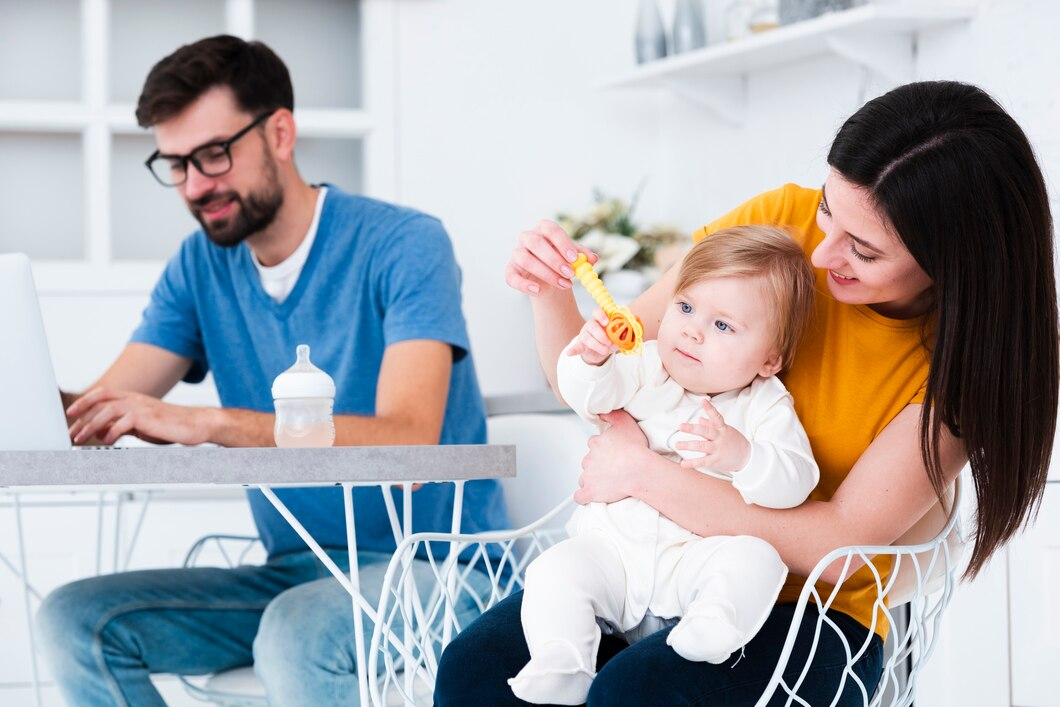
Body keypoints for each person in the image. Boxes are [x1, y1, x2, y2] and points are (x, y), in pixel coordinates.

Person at [435, 80, 1059, 706]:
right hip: (649, 565)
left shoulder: (964, 366)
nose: (819, 255)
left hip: (815, 613)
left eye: (862, 250)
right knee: (475, 672)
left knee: (639, 693)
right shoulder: (772, 228)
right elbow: (607, 373)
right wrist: (551, 295)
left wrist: (644, 474)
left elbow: (839, 548)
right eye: (827, 209)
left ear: (953, 263)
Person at [35, 35, 509, 707]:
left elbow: (409, 437)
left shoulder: (404, 244)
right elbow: (105, 406)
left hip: (441, 569)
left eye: (213, 154)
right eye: (175, 165)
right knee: (75, 620)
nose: (196, 185)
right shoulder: (199, 267)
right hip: (296, 574)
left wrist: (212, 424)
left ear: (280, 132)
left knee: (295, 634)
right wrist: (25, 390)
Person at [508, 226, 819, 705]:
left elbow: (796, 482)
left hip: (693, 560)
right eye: (687, 307)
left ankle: (714, 624)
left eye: (723, 326)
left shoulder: (765, 406)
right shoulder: (644, 363)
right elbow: (589, 396)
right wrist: (590, 360)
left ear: (770, 360)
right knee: (554, 569)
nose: (693, 329)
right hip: (614, 553)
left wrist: (743, 455)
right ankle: (563, 659)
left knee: (755, 560)